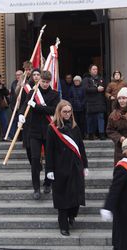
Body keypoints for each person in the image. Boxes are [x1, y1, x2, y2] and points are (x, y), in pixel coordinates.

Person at [46, 100, 88, 236]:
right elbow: (49, 151)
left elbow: (81, 147)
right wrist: (49, 170)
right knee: (63, 198)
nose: (68, 114)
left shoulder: (75, 127)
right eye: (65, 111)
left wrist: (85, 165)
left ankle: (72, 215)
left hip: (75, 167)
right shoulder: (52, 128)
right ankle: (63, 226)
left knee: (76, 196)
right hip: (60, 168)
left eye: (70, 111)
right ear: (59, 112)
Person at [18, 70, 60, 200]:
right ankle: (36, 188)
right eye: (43, 82)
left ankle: (48, 183)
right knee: (35, 160)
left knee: (50, 159)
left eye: (47, 82)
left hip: (49, 131)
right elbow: (25, 105)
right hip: (34, 131)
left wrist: (36, 106)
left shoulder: (54, 94)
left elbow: (53, 110)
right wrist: (20, 115)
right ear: (39, 80)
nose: (45, 84)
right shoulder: (32, 93)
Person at [83, 64, 106, 140]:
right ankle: (90, 134)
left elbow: (103, 87)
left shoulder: (100, 78)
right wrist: (96, 89)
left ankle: (101, 134)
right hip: (90, 102)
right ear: (90, 70)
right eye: (94, 69)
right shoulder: (86, 79)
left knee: (100, 118)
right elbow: (86, 89)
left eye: (96, 69)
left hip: (99, 102)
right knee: (90, 119)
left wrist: (96, 88)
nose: (95, 70)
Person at [8, 69, 24, 139]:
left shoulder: (26, 82)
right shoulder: (14, 83)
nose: (17, 76)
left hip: (23, 105)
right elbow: (15, 92)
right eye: (16, 75)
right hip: (15, 106)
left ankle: (21, 136)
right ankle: (13, 136)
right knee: (14, 121)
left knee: (21, 121)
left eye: (19, 75)